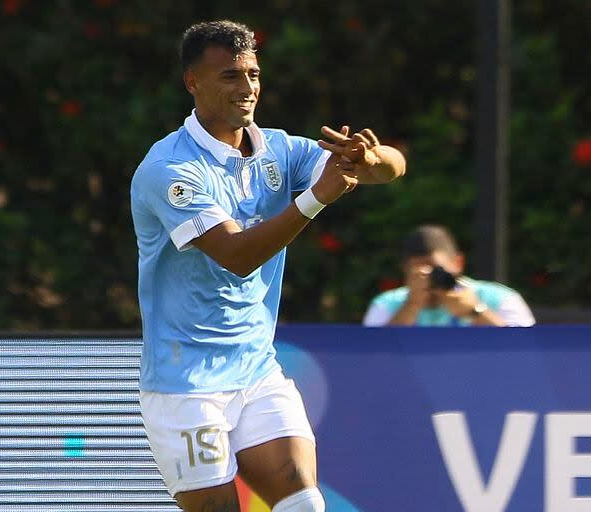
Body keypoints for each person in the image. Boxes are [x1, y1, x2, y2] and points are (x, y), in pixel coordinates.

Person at [130, 20, 405, 512]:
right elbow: (237, 256)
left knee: (305, 504)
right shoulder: (170, 169)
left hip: (256, 369)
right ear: (193, 82)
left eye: (253, 75)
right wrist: (316, 200)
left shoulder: (277, 148)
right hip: (186, 384)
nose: (248, 88)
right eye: (231, 77)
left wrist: (368, 159)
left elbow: (392, 168)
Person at [362, 225, 535, 327]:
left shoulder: (500, 298)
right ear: (405, 270)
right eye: (419, 273)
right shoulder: (386, 305)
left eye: (437, 270)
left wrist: (475, 311)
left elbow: (528, 353)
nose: (429, 280)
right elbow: (374, 359)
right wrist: (411, 306)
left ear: (458, 263)